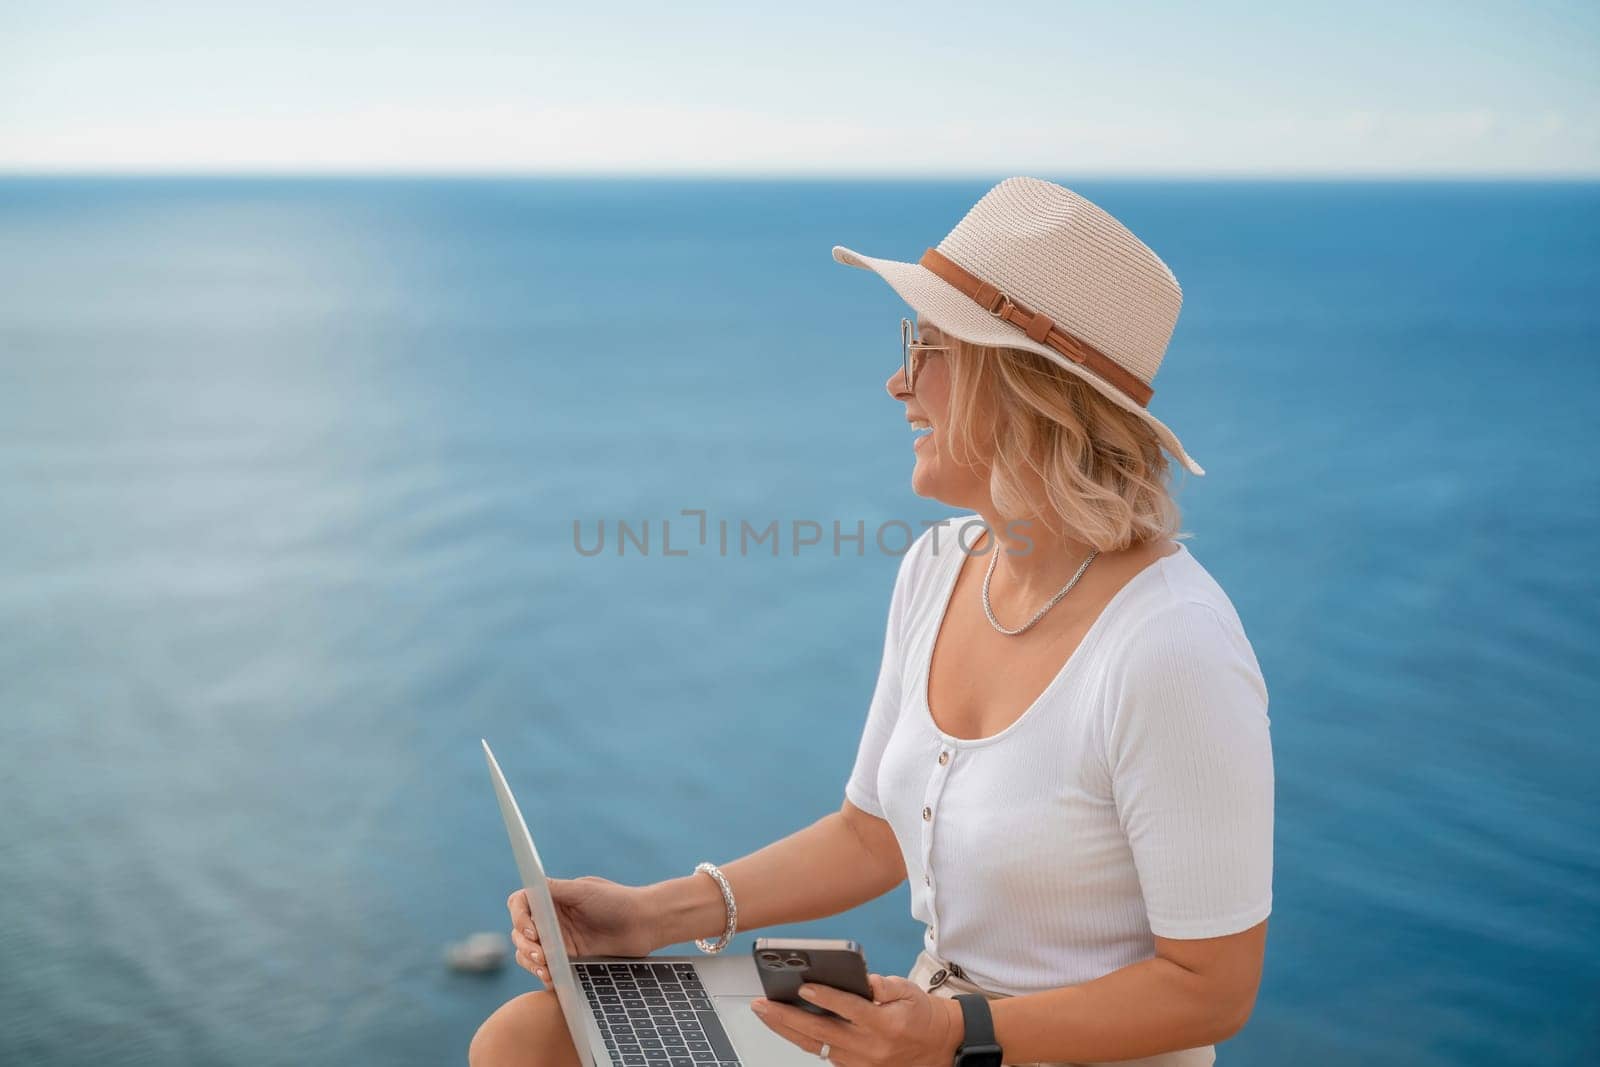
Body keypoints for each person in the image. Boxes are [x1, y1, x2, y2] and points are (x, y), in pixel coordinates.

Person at [470, 177, 1273, 1067]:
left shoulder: (1172, 644)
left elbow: (1213, 987)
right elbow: (873, 832)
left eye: (924, 345)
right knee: (531, 1038)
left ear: (1018, 386)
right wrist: (652, 913)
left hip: (993, 1048)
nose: (897, 382)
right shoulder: (938, 566)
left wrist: (955, 1032)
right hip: (919, 1036)